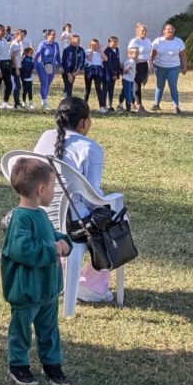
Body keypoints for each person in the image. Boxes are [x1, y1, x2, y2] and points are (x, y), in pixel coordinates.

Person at [33, 97, 115, 303]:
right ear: (84, 122)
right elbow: (93, 196)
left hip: (37, 214)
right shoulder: (90, 148)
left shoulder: (45, 137)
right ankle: (91, 285)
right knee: (117, 221)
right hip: (72, 224)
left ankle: (62, 275)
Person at [1, 157, 72, 385]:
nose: (54, 191)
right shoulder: (20, 218)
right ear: (41, 189)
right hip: (27, 289)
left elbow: (51, 235)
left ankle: (52, 364)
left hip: (47, 288)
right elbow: (22, 249)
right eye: (52, 186)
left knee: (49, 329)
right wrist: (52, 249)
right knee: (21, 328)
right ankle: (18, 364)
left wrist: (64, 241)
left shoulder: (41, 215)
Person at [150, 24, 188, 113]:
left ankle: (176, 106)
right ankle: (156, 104)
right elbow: (152, 55)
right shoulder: (158, 41)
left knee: (173, 86)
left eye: (172, 29)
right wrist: (150, 66)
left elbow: (183, 55)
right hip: (159, 67)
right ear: (164, 31)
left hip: (173, 68)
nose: (170, 31)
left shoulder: (178, 41)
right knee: (159, 86)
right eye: (168, 29)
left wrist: (185, 66)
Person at [127, 23, 153, 113]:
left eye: (145, 30)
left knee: (140, 83)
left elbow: (149, 53)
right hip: (136, 64)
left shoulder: (148, 40)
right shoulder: (134, 41)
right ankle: (139, 106)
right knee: (136, 84)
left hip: (144, 64)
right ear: (138, 31)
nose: (144, 32)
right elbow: (129, 54)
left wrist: (151, 65)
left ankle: (131, 103)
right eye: (142, 30)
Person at [34, 30, 61, 109]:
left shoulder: (56, 45)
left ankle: (43, 96)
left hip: (51, 67)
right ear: (48, 35)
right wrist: (34, 67)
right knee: (44, 83)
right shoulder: (43, 44)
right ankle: (45, 103)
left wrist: (60, 66)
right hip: (42, 66)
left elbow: (58, 56)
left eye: (54, 35)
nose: (54, 36)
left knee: (48, 85)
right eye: (52, 35)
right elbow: (37, 55)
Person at [83, 38, 107, 113]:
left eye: (97, 45)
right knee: (88, 89)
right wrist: (92, 51)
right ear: (90, 45)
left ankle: (102, 106)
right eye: (93, 45)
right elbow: (89, 58)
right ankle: (84, 106)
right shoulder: (87, 51)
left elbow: (106, 59)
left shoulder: (100, 52)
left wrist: (101, 51)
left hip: (98, 71)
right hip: (89, 70)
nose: (95, 46)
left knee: (98, 88)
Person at [60, 34, 84, 99]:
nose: (79, 41)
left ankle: (66, 99)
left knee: (69, 86)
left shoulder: (81, 50)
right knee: (68, 86)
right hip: (66, 72)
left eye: (79, 40)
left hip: (74, 72)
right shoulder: (67, 50)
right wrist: (69, 74)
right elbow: (64, 62)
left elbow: (82, 61)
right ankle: (67, 101)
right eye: (77, 40)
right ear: (72, 40)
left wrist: (77, 72)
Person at [103, 36, 123, 112]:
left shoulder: (117, 50)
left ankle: (110, 105)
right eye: (113, 41)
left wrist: (119, 71)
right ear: (109, 42)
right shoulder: (107, 51)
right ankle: (104, 105)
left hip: (115, 72)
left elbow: (117, 61)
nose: (115, 43)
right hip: (108, 73)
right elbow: (107, 64)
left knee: (111, 89)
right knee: (106, 89)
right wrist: (113, 73)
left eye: (116, 41)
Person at [121, 46, 138, 112]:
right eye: (135, 54)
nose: (136, 55)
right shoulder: (131, 61)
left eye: (137, 54)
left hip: (130, 79)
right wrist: (125, 71)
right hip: (127, 79)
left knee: (127, 92)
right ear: (130, 54)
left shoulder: (130, 61)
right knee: (128, 93)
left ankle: (123, 104)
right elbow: (126, 70)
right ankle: (128, 107)